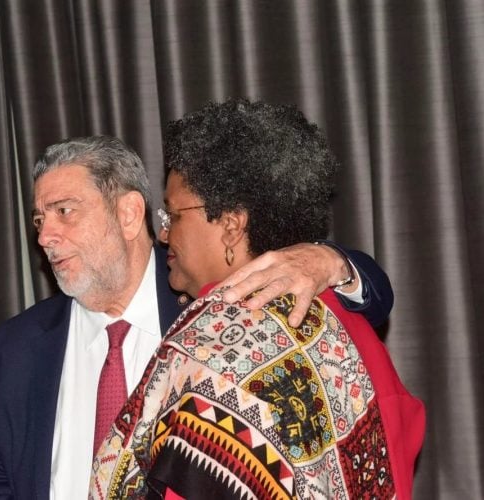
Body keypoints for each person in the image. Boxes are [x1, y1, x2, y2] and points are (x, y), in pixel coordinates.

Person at [0, 135, 395, 499]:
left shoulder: (219, 307)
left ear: (130, 214)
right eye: (39, 218)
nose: (44, 236)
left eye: (65, 211)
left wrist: (329, 258)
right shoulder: (15, 348)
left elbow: (369, 301)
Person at [89, 99, 425, 499]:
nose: (164, 235)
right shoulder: (348, 323)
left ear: (231, 226)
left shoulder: (213, 342)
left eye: (174, 216)